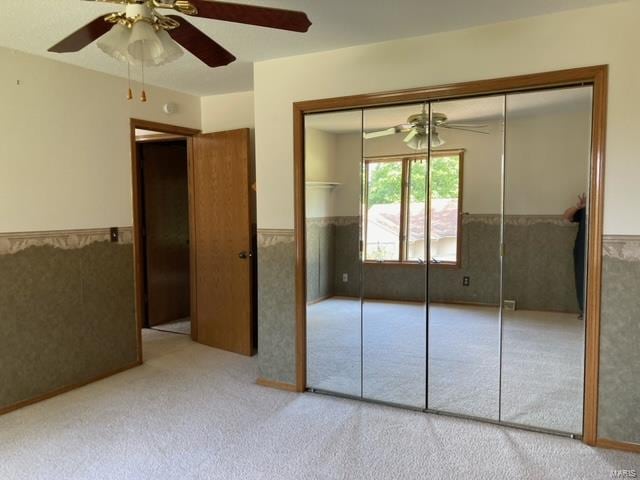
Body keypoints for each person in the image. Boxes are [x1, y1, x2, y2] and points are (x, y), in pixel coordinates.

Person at [563, 194, 587, 319]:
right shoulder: (584, 210)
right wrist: (579, 207)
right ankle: (584, 311)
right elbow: (566, 217)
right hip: (582, 248)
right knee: (581, 278)